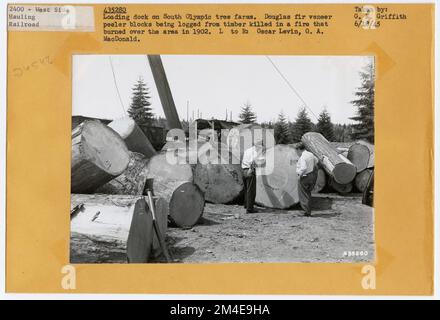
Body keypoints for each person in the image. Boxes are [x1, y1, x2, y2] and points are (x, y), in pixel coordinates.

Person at [296, 143, 319, 216]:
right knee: (308, 193)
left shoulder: (303, 156)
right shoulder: (310, 154)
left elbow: (303, 168)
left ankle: (306, 211)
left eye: (297, 151)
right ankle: (308, 210)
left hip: (305, 176)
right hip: (311, 175)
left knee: (303, 194)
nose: (297, 152)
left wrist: (300, 175)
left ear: (299, 149)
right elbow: (316, 161)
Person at [242, 140, 264, 213]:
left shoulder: (247, 150)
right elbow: (253, 162)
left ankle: (246, 205)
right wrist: (251, 170)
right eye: (260, 144)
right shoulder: (255, 152)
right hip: (250, 170)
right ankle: (250, 209)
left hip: (244, 169)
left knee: (246, 189)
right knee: (251, 190)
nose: (261, 146)